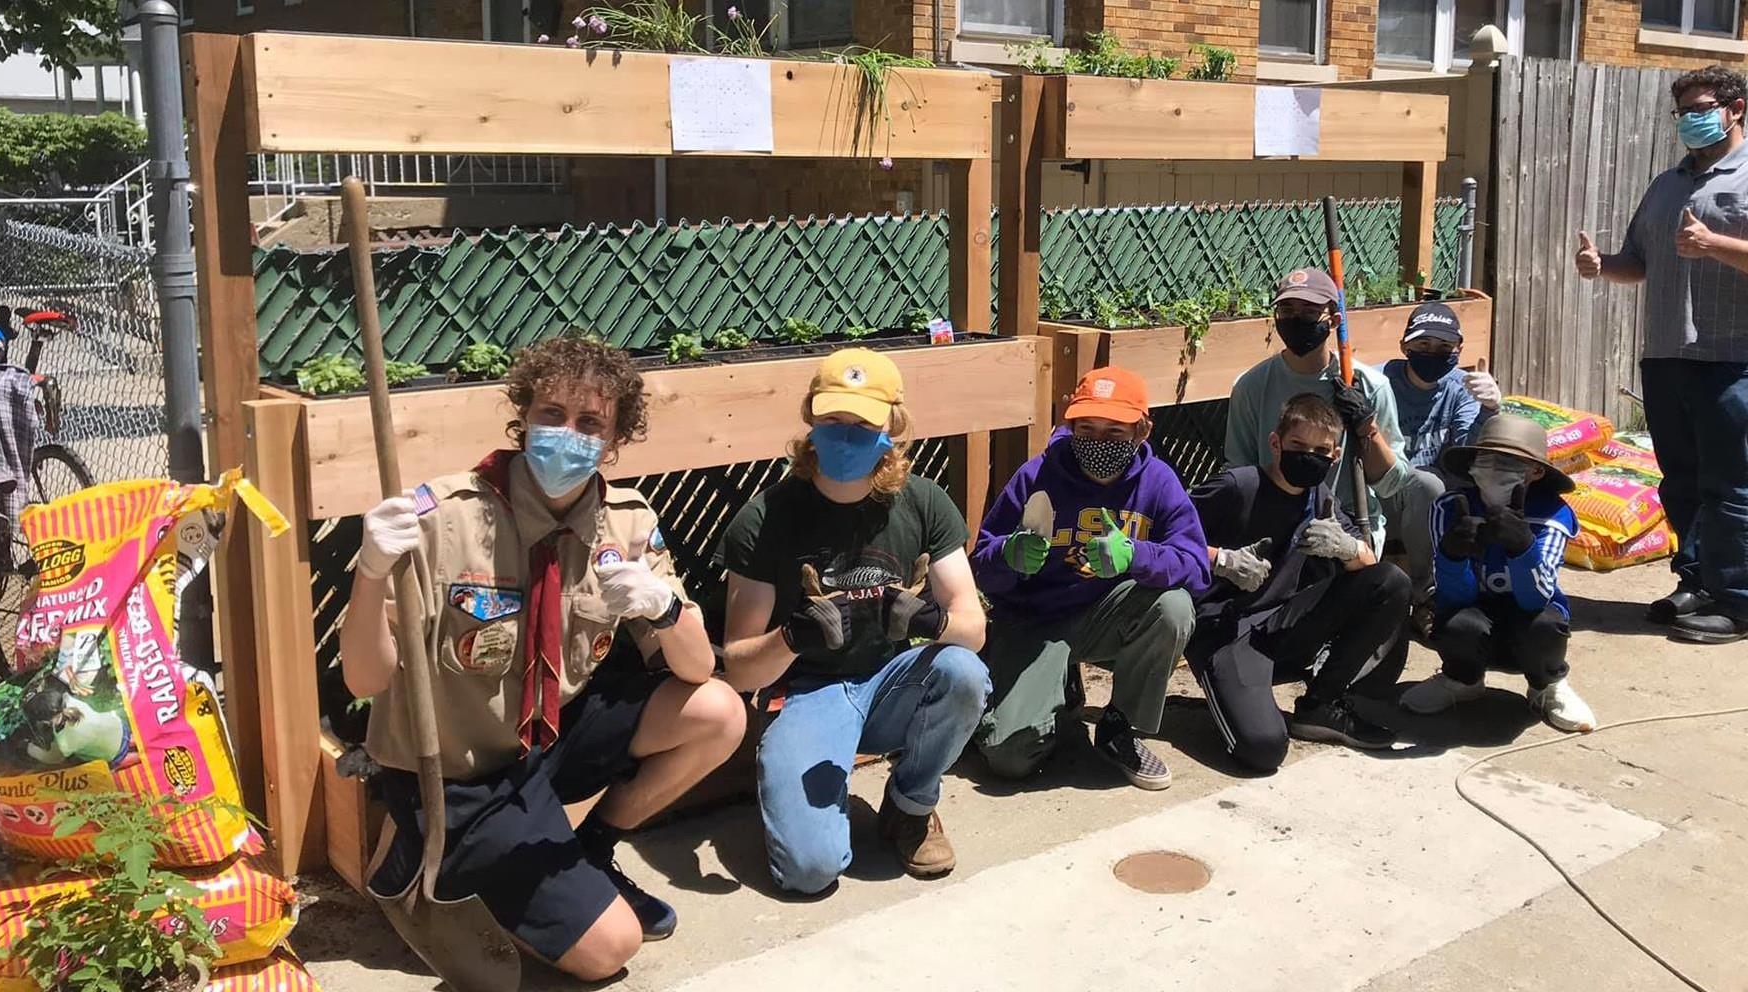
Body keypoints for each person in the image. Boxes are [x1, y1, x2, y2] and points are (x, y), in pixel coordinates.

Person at [340, 337, 748, 982]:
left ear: (613, 441)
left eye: (591, 423)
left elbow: (699, 671)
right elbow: (365, 678)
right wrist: (369, 574)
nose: (568, 434)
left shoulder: (626, 524)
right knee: (612, 950)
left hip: (547, 742)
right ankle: (420, 847)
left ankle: (590, 847)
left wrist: (663, 609)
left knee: (719, 713)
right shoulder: (443, 518)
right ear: (522, 417)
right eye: (552, 414)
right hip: (457, 772)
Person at [716, 348, 990, 895]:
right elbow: (739, 668)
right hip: (810, 693)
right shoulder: (766, 517)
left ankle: (911, 807)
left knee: (961, 672)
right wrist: (793, 636)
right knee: (810, 871)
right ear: (810, 423)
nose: (845, 435)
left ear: (893, 426)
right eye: (832, 420)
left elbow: (973, 628)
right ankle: (806, 786)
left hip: (895, 682)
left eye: (862, 423)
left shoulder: (924, 502)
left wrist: (930, 620)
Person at [1574, 65, 1748, 645]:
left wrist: (1715, 245)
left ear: (1736, 109)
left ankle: (1740, 604)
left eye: (1702, 107)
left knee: (1728, 482)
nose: (1690, 120)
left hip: (1733, 356)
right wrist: (1603, 267)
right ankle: (1697, 581)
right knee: (1679, 481)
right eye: (1682, 111)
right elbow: (1639, 262)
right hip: (1666, 352)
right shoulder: (1666, 185)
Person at [972, 366, 1208, 790]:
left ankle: (1121, 726)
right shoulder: (1036, 475)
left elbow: (1195, 566)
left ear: (1143, 430)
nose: (1098, 441)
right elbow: (981, 564)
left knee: (1174, 608)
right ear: (1071, 425)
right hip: (1035, 622)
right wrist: (1009, 554)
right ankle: (1056, 689)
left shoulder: (1159, 482)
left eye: (1115, 431)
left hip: (1107, 615)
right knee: (1008, 758)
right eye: (1087, 428)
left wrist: (1136, 555)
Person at [1188, 393, 1411, 769]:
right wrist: (1222, 559)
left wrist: (1346, 546)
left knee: (1391, 581)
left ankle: (1320, 704)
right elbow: (1165, 533)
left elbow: (1371, 565)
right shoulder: (1237, 487)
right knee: (1263, 749)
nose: (1309, 456)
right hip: (1228, 632)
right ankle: (1235, 692)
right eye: (1297, 445)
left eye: (1321, 450)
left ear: (1334, 457)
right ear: (1276, 444)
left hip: (1284, 623)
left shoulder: (1320, 498)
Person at [1400, 414, 1596, 733]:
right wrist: (1452, 555)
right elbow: (1452, 598)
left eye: (1509, 462)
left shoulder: (1553, 515)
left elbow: (1537, 598)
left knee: (1546, 624)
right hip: (1475, 613)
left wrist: (1522, 549)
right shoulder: (1449, 508)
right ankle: (1462, 679)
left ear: (1535, 471)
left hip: (1529, 618)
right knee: (1455, 623)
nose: (1493, 469)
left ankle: (1547, 685)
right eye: (1486, 458)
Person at [1225, 267, 1415, 554]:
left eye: (1309, 311)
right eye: (1286, 309)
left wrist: (1366, 428)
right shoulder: (1251, 387)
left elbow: (1392, 483)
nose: (1295, 319)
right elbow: (1240, 471)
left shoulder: (1368, 386)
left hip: (1351, 525)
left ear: (1334, 320)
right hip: (1275, 522)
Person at [1378, 302, 1503, 630]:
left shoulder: (1462, 388)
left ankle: (1426, 596)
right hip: (1381, 498)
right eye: (1422, 345)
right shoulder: (1379, 381)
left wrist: (1489, 409)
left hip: (1431, 509)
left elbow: (1465, 453)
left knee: (1428, 483)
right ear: (1404, 346)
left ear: (1458, 349)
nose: (1432, 353)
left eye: (1443, 347)